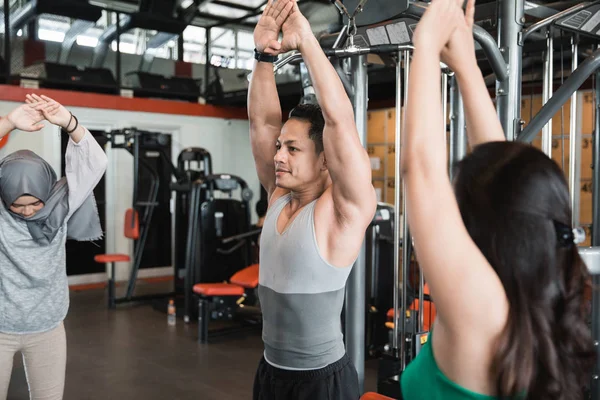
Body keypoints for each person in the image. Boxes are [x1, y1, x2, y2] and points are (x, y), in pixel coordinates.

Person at [400, 0, 596, 399]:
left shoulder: (481, 305)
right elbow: (504, 173)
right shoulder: (549, 286)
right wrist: (467, 68)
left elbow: (420, 170)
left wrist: (424, 43)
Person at [248, 0, 377, 398]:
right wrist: (263, 58)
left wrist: (305, 42)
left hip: (321, 382)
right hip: (269, 372)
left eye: (293, 149)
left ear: (325, 160)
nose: (278, 156)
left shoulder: (343, 210)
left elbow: (339, 121)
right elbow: (263, 122)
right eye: (279, 147)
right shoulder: (278, 197)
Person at [0, 94, 108, 400]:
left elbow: (95, 162)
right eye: (16, 206)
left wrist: (69, 123)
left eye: (35, 203)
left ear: (47, 192)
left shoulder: (62, 204)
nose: (27, 211)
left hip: (47, 327)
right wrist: (9, 123)